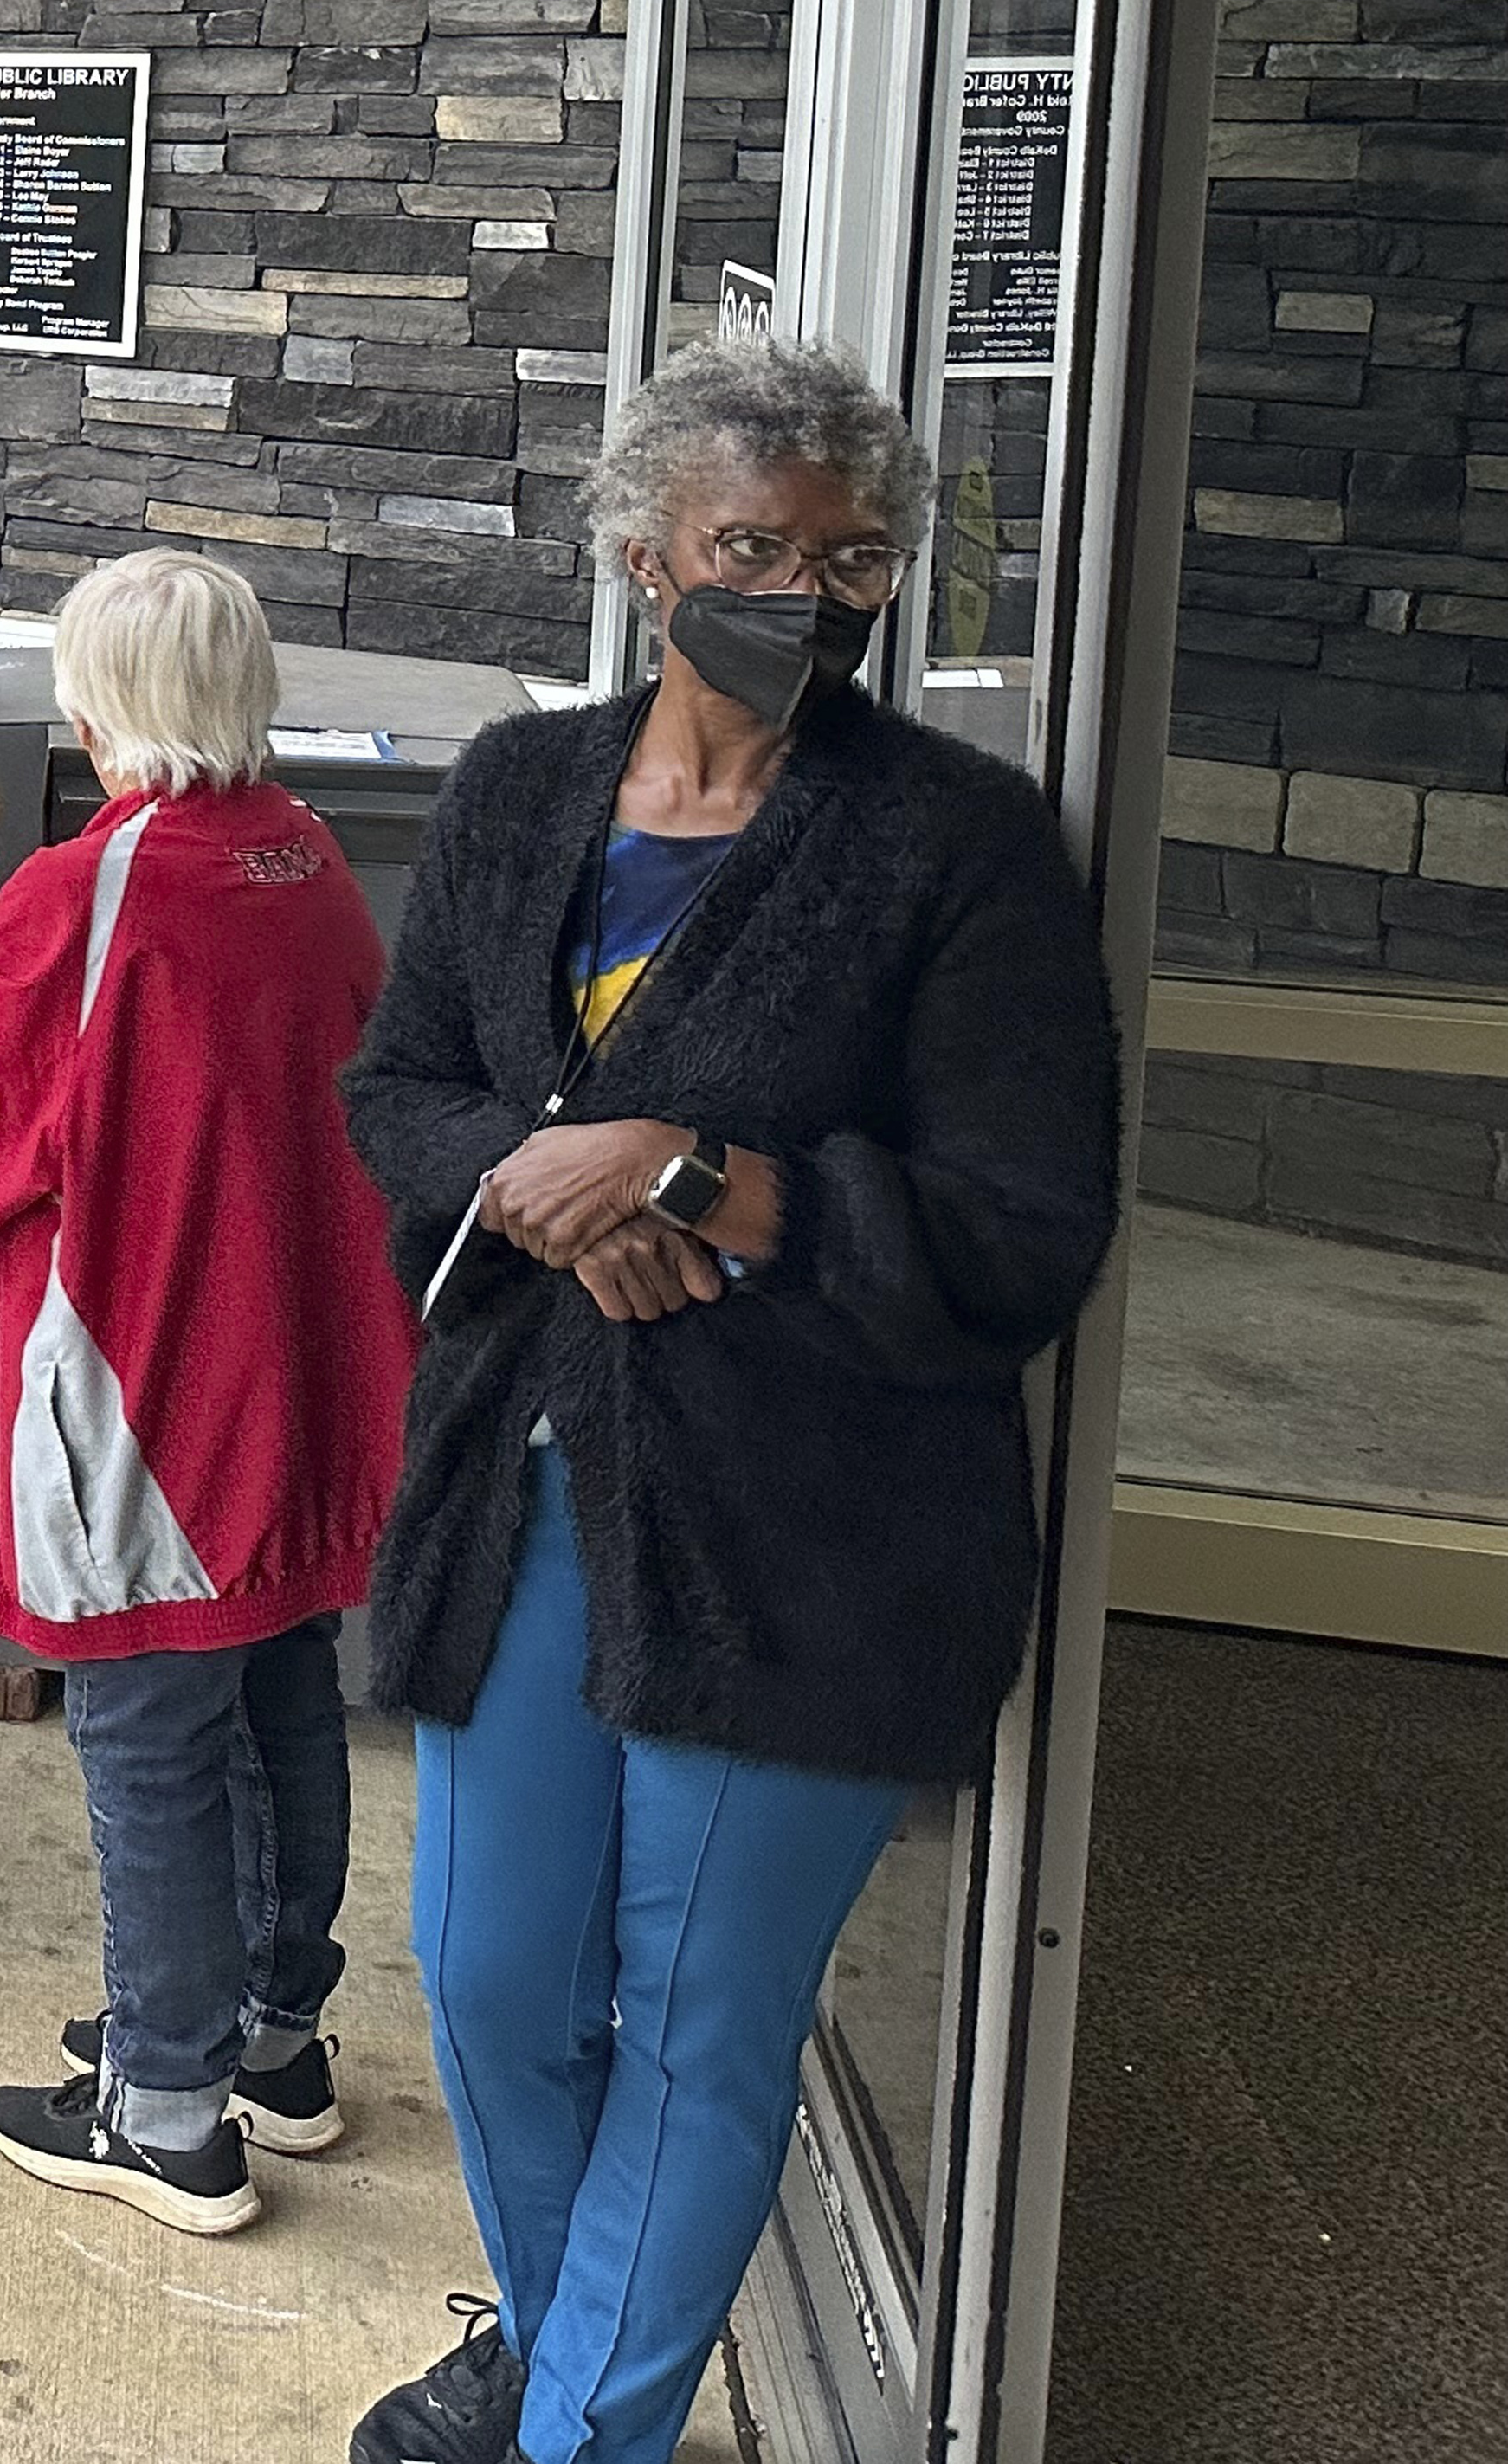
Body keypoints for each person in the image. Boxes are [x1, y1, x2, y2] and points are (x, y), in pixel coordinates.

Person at [331, 338, 1120, 2464]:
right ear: (644, 550)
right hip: (532, 1485)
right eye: (749, 546)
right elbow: (398, 1087)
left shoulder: (955, 847)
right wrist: (543, 1185)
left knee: (693, 2024)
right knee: (496, 1980)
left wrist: (710, 1177)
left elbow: (1025, 1222)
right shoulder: (516, 793)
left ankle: (583, 2424)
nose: (798, 590)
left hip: (822, 1522)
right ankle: (561, 2325)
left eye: (846, 557)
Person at [0, 550, 414, 2240]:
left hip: (140, 1385)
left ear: (103, 703)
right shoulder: (305, 858)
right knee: (277, 1703)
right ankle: (276, 2042)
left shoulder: (90, 890)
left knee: (150, 1733)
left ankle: (168, 2109)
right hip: (304, 1375)